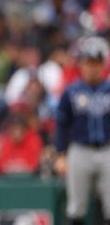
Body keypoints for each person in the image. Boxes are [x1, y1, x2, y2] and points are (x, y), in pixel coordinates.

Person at [54, 36, 110, 225]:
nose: (93, 67)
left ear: (102, 65)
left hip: (107, 150)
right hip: (80, 150)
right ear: (82, 65)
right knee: (76, 206)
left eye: (96, 63)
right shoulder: (72, 91)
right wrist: (61, 154)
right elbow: (62, 124)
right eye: (89, 63)